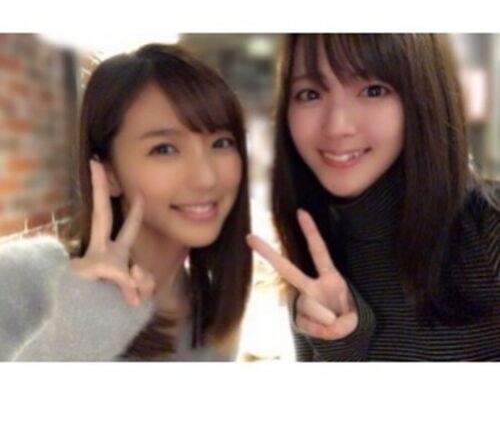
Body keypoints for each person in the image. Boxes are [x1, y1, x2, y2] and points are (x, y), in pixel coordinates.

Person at [247, 33, 500, 361]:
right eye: (310, 94)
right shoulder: (317, 243)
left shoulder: (488, 228)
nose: (337, 126)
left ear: (424, 97)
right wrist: (341, 347)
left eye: (373, 90)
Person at [0, 43, 252, 361]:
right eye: (164, 149)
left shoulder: (214, 320)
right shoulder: (19, 281)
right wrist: (78, 332)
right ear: (108, 173)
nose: (206, 178)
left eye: (222, 142)